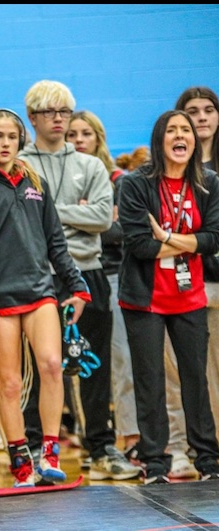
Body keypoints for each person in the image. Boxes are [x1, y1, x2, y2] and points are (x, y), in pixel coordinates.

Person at [0, 108, 90, 488]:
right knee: (10, 384)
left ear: (20, 140)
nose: (5, 143)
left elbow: (55, 242)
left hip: (40, 292)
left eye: (11, 137)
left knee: (50, 364)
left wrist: (77, 286)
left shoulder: (35, 181)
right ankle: (21, 464)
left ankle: (49, 452)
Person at [18, 81, 139, 482]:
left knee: (93, 364)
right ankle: (35, 448)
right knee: (40, 368)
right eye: (50, 112)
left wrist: (47, 208)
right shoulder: (19, 166)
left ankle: (101, 448)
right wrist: (74, 212)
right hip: (37, 276)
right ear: (32, 117)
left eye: (65, 112)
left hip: (87, 272)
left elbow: (103, 218)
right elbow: (21, 223)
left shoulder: (90, 165)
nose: (58, 119)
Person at [118, 109, 219, 485]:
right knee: (150, 380)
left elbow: (215, 239)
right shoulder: (135, 184)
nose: (181, 135)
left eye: (187, 130)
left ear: (194, 141)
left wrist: (167, 237)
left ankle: (208, 460)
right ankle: (155, 463)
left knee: (197, 379)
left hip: (189, 295)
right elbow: (139, 245)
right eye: (172, 130)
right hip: (144, 298)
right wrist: (186, 243)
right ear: (160, 140)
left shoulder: (209, 183)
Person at [65, 110, 143, 479]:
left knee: (119, 361)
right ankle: (89, 439)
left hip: (109, 276)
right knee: (79, 363)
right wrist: (91, 216)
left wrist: (94, 218)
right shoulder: (60, 179)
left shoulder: (117, 180)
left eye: (86, 133)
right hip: (68, 276)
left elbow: (121, 231)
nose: (79, 139)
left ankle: (126, 438)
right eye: (72, 134)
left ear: (99, 137)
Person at [171, 87, 219, 476]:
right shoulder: (167, 167)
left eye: (208, 110)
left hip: (215, 280)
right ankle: (191, 450)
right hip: (181, 284)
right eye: (192, 112)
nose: (201, 117)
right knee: (191, 373)